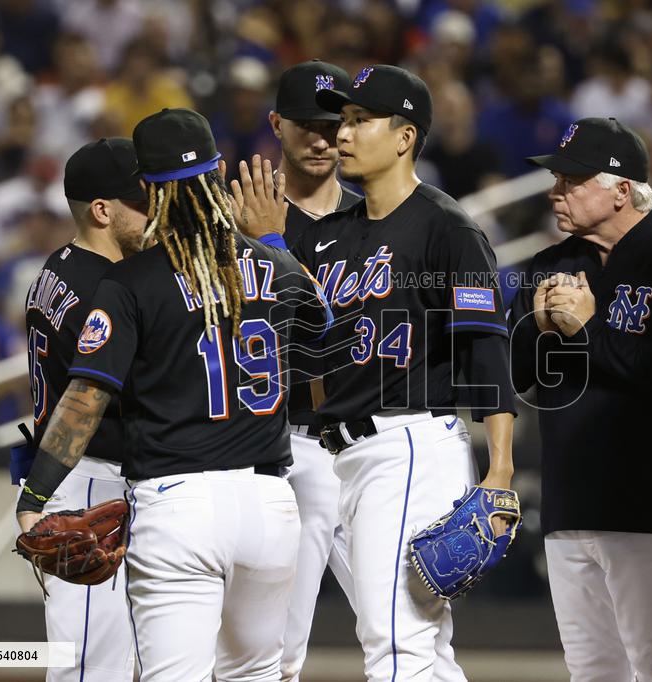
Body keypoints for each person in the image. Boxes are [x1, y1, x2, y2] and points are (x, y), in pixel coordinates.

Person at [15, 108, 332, 681]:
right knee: (256, 673)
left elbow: (86, 399)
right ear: (216, 176)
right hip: (269, 502)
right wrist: (274, 242)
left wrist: (35, 494)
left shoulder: (127, 280)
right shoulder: (272, 263)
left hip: (174, 499)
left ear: (154, 192)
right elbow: (324, 332)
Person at [287, 64, 518, 681]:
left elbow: (487, 350)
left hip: (411, 444)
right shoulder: (327, 236)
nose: (344, 132)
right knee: (425, 648)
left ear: (404, 136)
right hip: (348, 458)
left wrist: (499, 470)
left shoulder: (449, 229)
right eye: (345, 119)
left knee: (394, 642)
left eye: (362, 120)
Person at [508, 117, 652, 682]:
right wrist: (537, 327)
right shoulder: (550, 265)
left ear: (621, 188)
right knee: (590, 670)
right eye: (556, 179)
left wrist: (585, 331)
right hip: (568, 502)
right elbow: (514, 378)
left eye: (572, 180)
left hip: (650, 503)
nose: (555, 192)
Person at [17, 137, 147, 681]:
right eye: (143, 200)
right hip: (93, 483)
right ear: (102, 210)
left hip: (70, 473)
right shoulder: (105, 287)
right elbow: (113, 397)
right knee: (91, 669)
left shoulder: (60, 265)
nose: (155, 210)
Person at [268, 58, 362, 682]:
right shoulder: (237, 219)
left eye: (336, 122)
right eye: (306, 123)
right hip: (278, 447)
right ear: (276, 124)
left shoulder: (372, 219)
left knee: (416, 625)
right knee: (275, 651)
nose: (322, 137)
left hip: (365, 447)